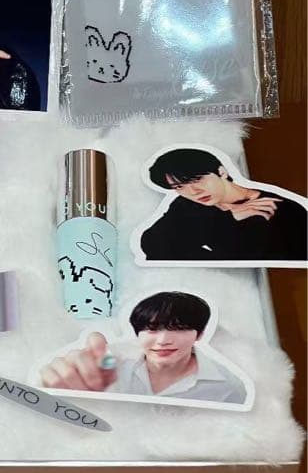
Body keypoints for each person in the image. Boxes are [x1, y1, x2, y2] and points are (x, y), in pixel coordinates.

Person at [38, 291, 247, 405]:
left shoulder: (229, 388)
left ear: (199, 334)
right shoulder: (115, 360)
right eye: (152, 329)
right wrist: (67, 382)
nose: (163, 340)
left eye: (179, 329)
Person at [140, 148, 307, 263]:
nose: (193, 191)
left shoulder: (278, 209)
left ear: (222, 172)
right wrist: (229, 217)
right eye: (179, 186)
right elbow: (151, 244)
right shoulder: (187, 204)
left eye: (197, 179)